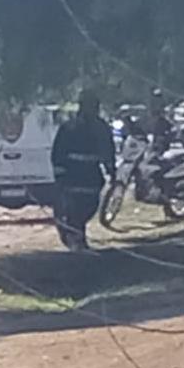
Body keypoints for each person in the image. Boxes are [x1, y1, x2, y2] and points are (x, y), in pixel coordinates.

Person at [51, 89, 116, 251]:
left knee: (87, 208)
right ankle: (76, 238)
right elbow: (58, 153)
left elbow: (108, 150)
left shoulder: (100, 127)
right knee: (74, 210)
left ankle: (77, 236)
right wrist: (60, 175)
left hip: (90, 177)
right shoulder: (70, 127)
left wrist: (111, 170)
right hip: (74, 175)